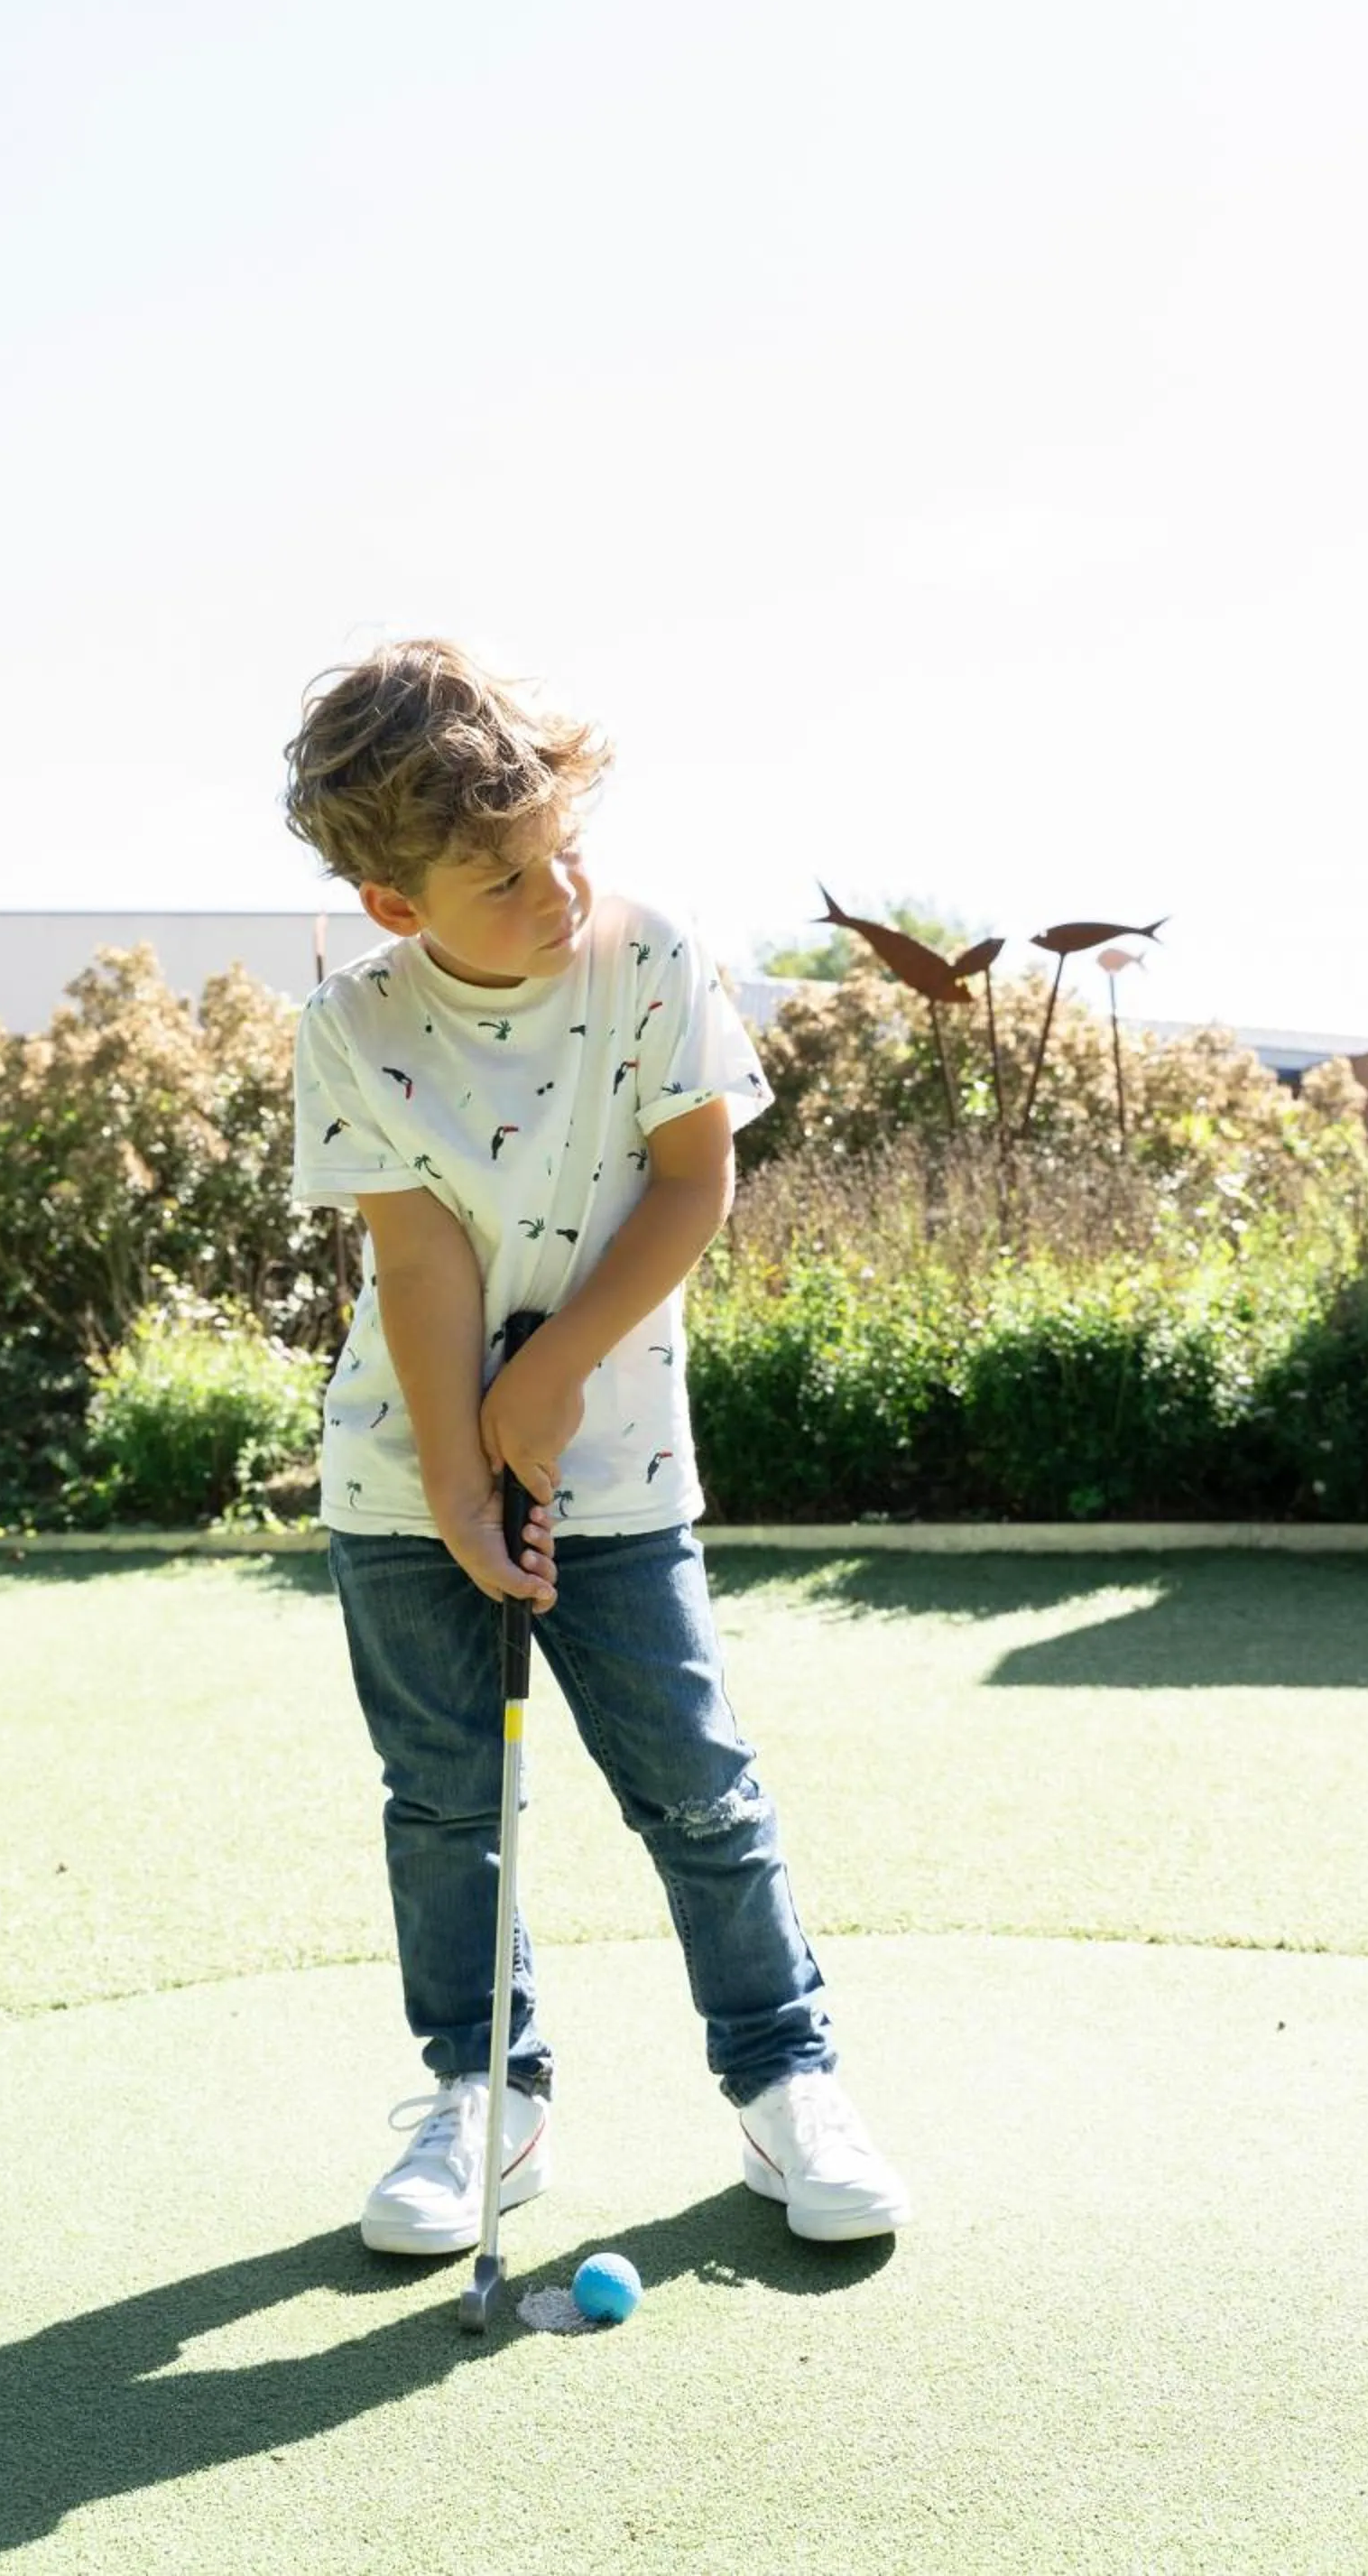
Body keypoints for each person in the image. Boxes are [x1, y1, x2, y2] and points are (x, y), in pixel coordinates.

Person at [282, 636, 910, 2255]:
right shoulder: (353, 1026)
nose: (554, 894)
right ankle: (485, 2095)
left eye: (564, 845)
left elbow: (693, 1186)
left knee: (697, 1790)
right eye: (500, 879)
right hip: (400, 1473)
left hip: (615, 1472)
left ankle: (786, 2080)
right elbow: (418, 1259)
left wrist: (550, 1378)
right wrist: (454, 1473)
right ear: (396, 907)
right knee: (444, 1807)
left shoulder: (650, 961)